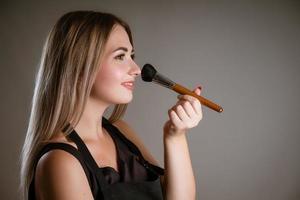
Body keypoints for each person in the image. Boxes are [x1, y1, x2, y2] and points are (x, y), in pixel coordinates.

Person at [20, 10, 203, 200]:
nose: (137, 69)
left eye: (132, 55)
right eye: (120, 57)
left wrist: (175, 136)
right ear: (80, 67)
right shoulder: (59, 162)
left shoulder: (122, 131)